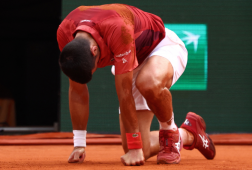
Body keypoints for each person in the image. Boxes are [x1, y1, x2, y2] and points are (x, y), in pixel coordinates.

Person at [57, 4, 216, 166]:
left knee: (148, 82)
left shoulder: (118, 29)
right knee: (142, 149)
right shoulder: (65, 33)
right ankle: (189, 133)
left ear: (93, 50)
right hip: (132, 59)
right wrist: (79, 144)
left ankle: (169, 131)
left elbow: (124, 94)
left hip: (160, 46)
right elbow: (77, 91)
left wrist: (135, 147)